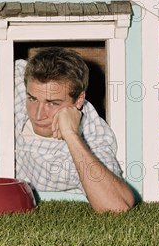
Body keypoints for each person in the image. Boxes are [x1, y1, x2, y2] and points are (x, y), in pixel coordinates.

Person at [14, 47, 136, 212]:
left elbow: (117, 206)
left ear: (78, 101)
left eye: (52, 103)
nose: (38, 114)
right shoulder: (19, 86)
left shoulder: (93, 136)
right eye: (32, 99)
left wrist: (71, 135)